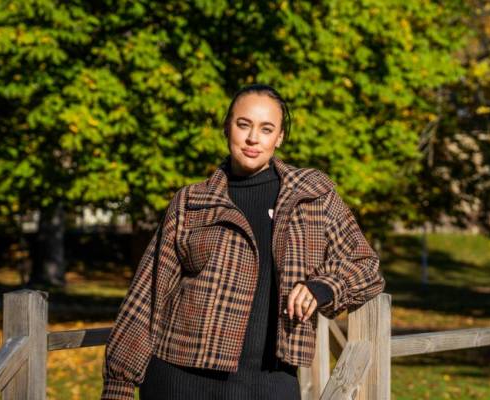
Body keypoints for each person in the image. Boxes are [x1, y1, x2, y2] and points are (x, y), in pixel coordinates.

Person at [101, 84, 385, 400]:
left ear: (279, 137)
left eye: (266, 129)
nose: (253, 138)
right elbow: (148, 294)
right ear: (227, 127)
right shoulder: (192, 201)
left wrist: (324, 287)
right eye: (243, 124)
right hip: (178, 379)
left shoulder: (312, 195)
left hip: (271, 382)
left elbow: (366, 266)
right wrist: (119, 384)